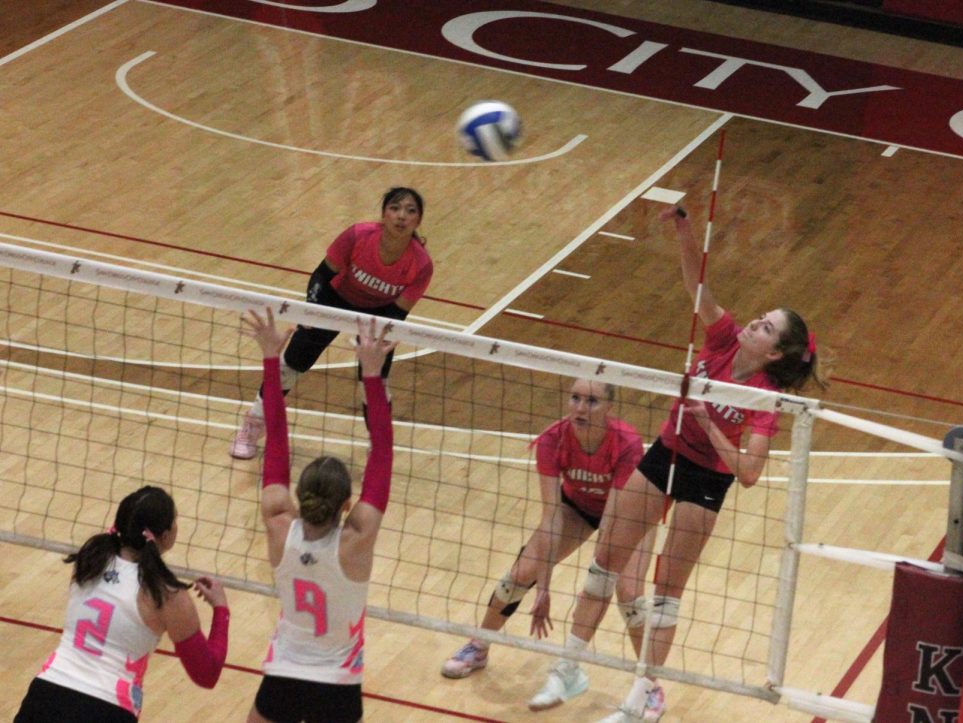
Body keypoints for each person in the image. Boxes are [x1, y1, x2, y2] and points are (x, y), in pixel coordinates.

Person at [545, 205, 826, 723]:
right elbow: (697, 284)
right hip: (663, 456)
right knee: (605, 559)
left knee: (664, 592)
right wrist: (683, 229)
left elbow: (748, 472)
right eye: (760, 318)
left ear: (773, 353)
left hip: (707, 481)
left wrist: (709, 419)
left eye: (765, 327)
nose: (754, 323)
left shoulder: (764, 398)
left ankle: (645, 696)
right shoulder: (722, 340)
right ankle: (569, 665)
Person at [439, 378, 654, 709]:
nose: (581, 408)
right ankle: (479, 645)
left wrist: (598, 579)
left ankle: (650, 687)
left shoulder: (626, 442)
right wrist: (543, 589)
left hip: (630, 514)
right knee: (521, 574)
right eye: (576, 398)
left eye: (592, 401)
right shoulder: (553, 438)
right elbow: (551, 514)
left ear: (609, 408)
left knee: (630, 595)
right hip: (576, 508)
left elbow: (613, 520)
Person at [242, 308, 397, 723]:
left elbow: (276, 437)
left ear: (298, 495)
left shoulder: (279, 524)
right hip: (338, 684)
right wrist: (372, 373)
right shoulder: (356, 540)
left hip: (285, 675)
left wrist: (272, 359)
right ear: (347, 505)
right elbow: (382, 451)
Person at [231, 187, 433, 458]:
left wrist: (376, 341)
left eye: (410, 211)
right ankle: (253, 425)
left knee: (374, 381)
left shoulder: (421, 264)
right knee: (291, 365)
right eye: (395, 208)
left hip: (378, 314)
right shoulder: (358, 236)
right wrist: (312, 311)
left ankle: (379, 443)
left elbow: (398, 312)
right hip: (334, 300)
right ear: (383, 214)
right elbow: (321, 274)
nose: (401, 216)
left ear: (418, 221)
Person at [15, 486, 230, 722]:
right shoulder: (167, 595)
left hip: (46, 694)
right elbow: (206, 674)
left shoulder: (89, 560)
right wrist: (221, 610)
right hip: (107, 709)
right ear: (167, 535)